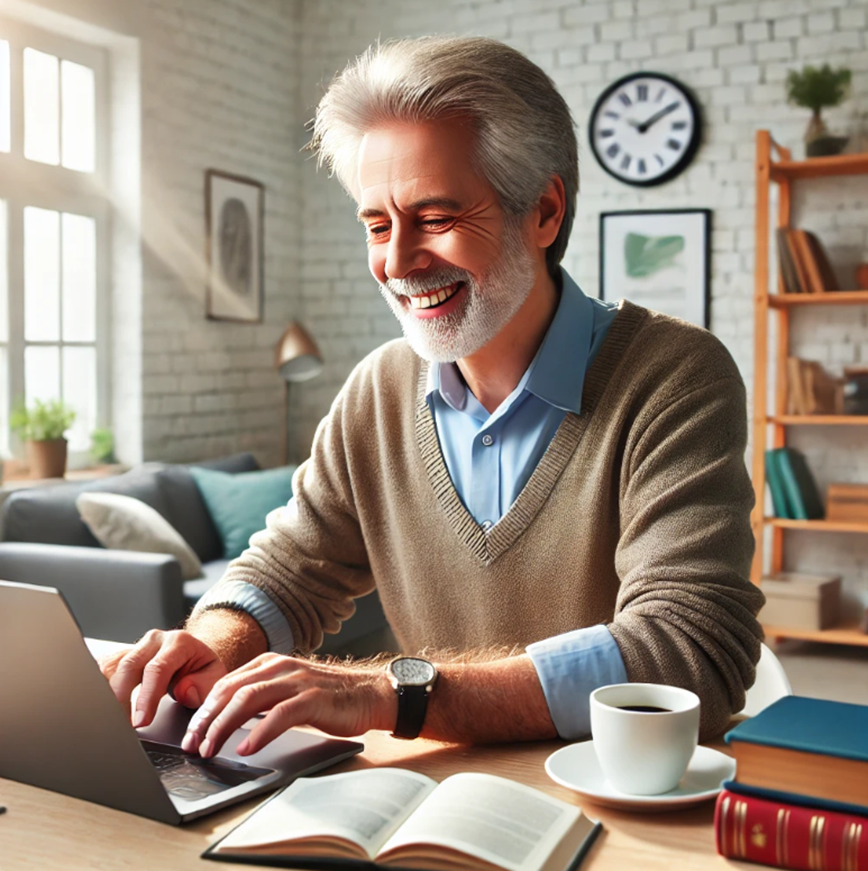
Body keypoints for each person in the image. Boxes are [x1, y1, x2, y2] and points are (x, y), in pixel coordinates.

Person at [101, 36, 764, 759]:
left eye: (437, 219)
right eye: (377, 225)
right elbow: (291, 571)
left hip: (618, 799)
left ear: (543, 211)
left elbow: (691, 650)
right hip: (438, 790)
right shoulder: (378, 390)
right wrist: (210, 647)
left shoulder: (674, 375)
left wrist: (386, 693)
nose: (396, 261)